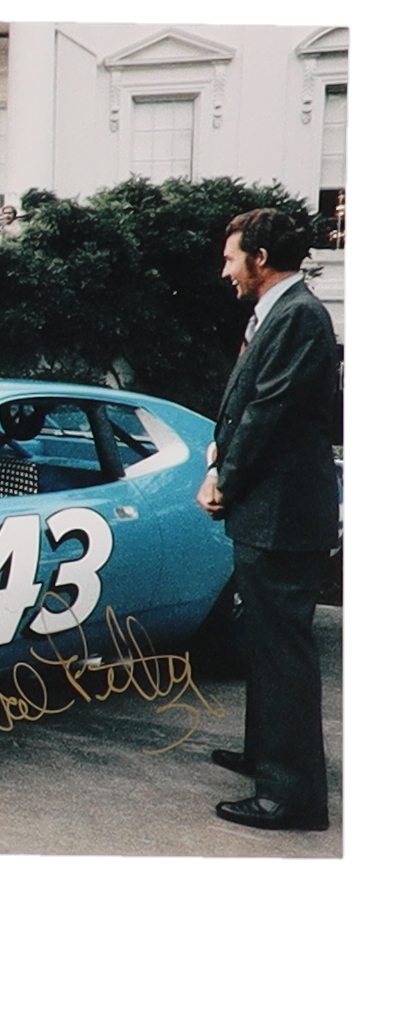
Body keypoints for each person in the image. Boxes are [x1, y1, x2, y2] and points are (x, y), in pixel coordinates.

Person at [196, 208, 338, 832]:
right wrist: (219, 457)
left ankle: (291, 797)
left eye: (231, 258)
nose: (225, 270)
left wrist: (224, 480)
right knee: (267, 642)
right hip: (272, 513)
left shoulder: (298, 315)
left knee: (282, 653)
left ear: (259, 258)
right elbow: (250, 407)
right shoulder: (283, 313)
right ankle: (266, 758)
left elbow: (268, 414)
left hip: (282, 516)